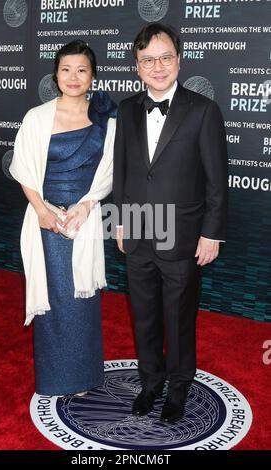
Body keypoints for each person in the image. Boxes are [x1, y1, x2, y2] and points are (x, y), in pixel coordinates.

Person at [113, 23, 228, 423]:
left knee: (179, 319)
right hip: (139, 229)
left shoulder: (203, 110)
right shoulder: (127, 109)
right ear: (137, 66)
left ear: (179, 60)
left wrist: (211, 232)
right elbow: (123, 170)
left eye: (165, 58)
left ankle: (178, 390)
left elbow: (216, 179)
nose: (157, 67)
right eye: (148, 60)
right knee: (143, 314)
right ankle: (150, 383)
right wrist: (121, 222)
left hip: (182, 235)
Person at [10, 40, 117, 396]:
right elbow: (23, 168)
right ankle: (56, 378)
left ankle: (84, 376)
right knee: (53, 298)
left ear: (93, 76)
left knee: (82, 297)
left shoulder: (105, 119)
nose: (73, 77)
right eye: (66, 69)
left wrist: (86, 206)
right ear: (56, 74)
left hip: (84, 220)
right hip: (48, 222)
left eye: (82, 70)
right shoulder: (37, 118)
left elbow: (110, 170)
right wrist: (42, 211)